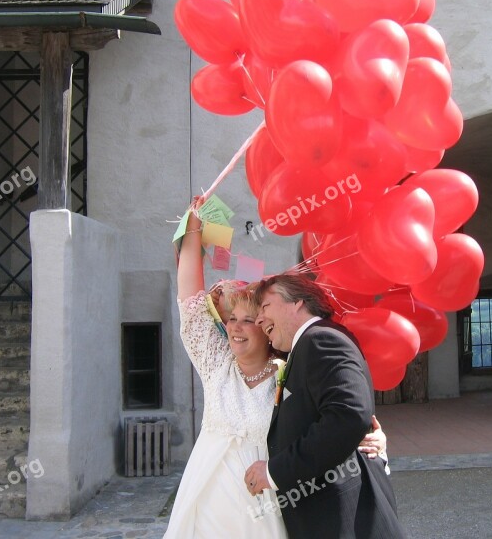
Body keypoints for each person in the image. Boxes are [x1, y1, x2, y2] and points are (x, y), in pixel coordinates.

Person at [164, 200, 387, 538]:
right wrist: (193, 229)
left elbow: (335, 417)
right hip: (211, 490)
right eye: (231, 320)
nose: (236, 328)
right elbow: (190, 302)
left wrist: (372, 440)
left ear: (266, 329)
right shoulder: (215, 364)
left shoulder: (289, 371)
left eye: (250, 319)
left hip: (270, 495)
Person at [245, 275, 406, 539]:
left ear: (297, 301)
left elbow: (349, 415)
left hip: (343, 515)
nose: (259, 319)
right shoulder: (306, 346)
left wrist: (275, 471)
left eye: (265, 307)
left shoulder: (321, 340)